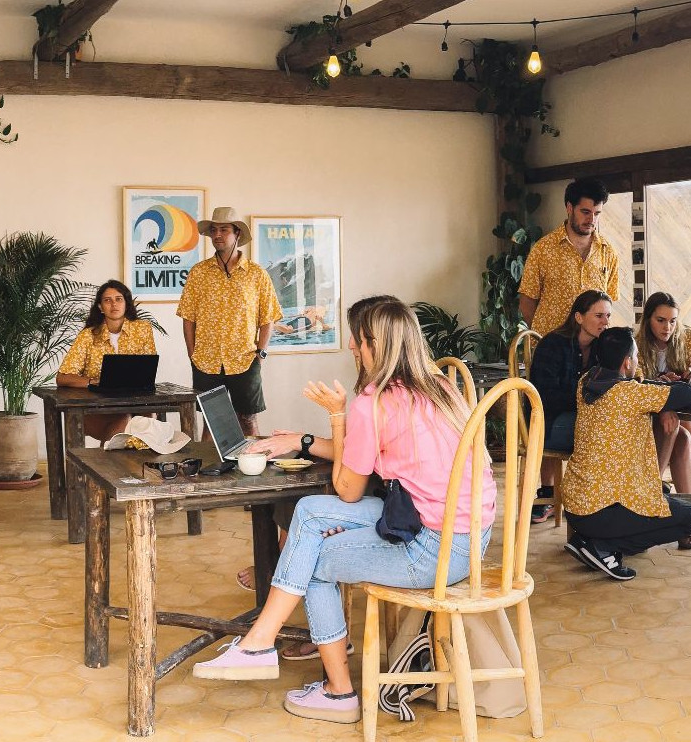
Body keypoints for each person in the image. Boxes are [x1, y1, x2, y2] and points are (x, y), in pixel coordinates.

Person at [194, 296, 495, 725]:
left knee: (313, 554)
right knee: (311, 512)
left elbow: (349, 489)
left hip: (434, 549)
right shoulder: (438, 386)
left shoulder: (373, 403)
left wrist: (337, 415)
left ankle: (333, 690)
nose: (351, 346)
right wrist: (301, 440)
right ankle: (260, 642)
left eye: (357, 338)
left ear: (375, 344)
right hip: (467, 539)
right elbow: (364, 457)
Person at [561, 327, 691, 580]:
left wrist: (658, 398)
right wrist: (666, 399)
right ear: (627, 362)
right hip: (604, 511)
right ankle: (604, 547)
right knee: (690, 517)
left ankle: (588, 539)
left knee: (663, 494)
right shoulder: (631, 394)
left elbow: (637, 386)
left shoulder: (586, 382)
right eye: (635, 356)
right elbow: (689, 394)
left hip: (575, 506)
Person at [178, 206, 284, 437]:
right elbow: (188, 318)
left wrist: (261, 352)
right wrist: (192, 354)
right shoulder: (199, 273)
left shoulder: (257, 274)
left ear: (237, 234)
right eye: (213, 230)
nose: (217, 235)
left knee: (248, 419)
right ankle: (208, 471)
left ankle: (253, 469)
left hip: (245, 359)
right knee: (210, 420)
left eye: (223, 229)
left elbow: (268, 317)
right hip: (206, 361)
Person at [527, 290, 612, 523]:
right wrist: (586, 397)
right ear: (578, 317)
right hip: (547, 422)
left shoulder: (601, 348)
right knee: (599, 430)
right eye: (598, 316)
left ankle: (600, 499)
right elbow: (545, 397)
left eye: (608, 316)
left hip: (579, 418)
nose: (605, 322)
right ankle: (585, 502)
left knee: (610, 425)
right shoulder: (553, 344)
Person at [518, 177, 622, 337]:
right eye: (585, 212)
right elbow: (527, 302)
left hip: (593, 349)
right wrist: (545, 337)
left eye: (597, 213)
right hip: (551, 348)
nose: (591, 220)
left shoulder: (608, 252)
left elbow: (608, 302)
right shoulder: (543, 249)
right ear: (569, 208)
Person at [55, 280, 158, 441]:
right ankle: (109, 463)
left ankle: (140, 465)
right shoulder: (88, 336)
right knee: (123, 421)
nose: (113, 304)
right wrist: (92, 381)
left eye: (118, 299)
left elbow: (148, 369)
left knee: (149, 417)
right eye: (107, 300)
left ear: (126, 304)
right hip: (97, 407)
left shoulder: (143, 330)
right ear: (100, 307)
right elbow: (63, 377)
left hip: (135, 402)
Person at [635, 292, 691, 506]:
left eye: (673, 321)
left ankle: (653, 488)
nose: (667, 327)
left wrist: (690, 377)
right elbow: (637, 381)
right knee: (682, 437)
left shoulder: (687, 338)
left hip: (690, 412)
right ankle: (690, 516)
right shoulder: (637, 344)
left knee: (677, 426)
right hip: (654, 413)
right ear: (648, 318)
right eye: (660, 320)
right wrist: (661, 381)